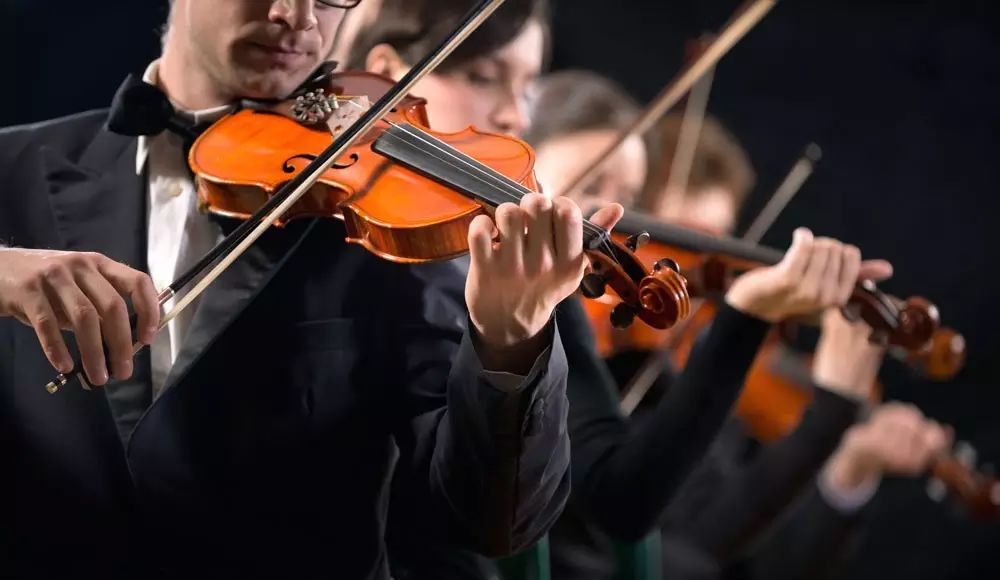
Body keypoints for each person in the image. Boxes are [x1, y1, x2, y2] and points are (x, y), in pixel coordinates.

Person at [0, 1, 624, 577]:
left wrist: (510, 339)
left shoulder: (386, 211)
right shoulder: (13, 170)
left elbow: (487, 521)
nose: (296, 16)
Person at [343, 5, 903, 580]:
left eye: (630, 195)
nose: (511, 112)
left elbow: (623, 503)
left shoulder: (552, 302)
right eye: (484, 77)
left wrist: (742, 317)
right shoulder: (344, 240)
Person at [525, 70, 953, 580]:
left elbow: (744, 565)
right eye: (678, 240)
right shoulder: (549, 332)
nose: (615, 234)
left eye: (631, 198)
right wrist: (826, 414)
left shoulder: (667, 381)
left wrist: (847, 458)